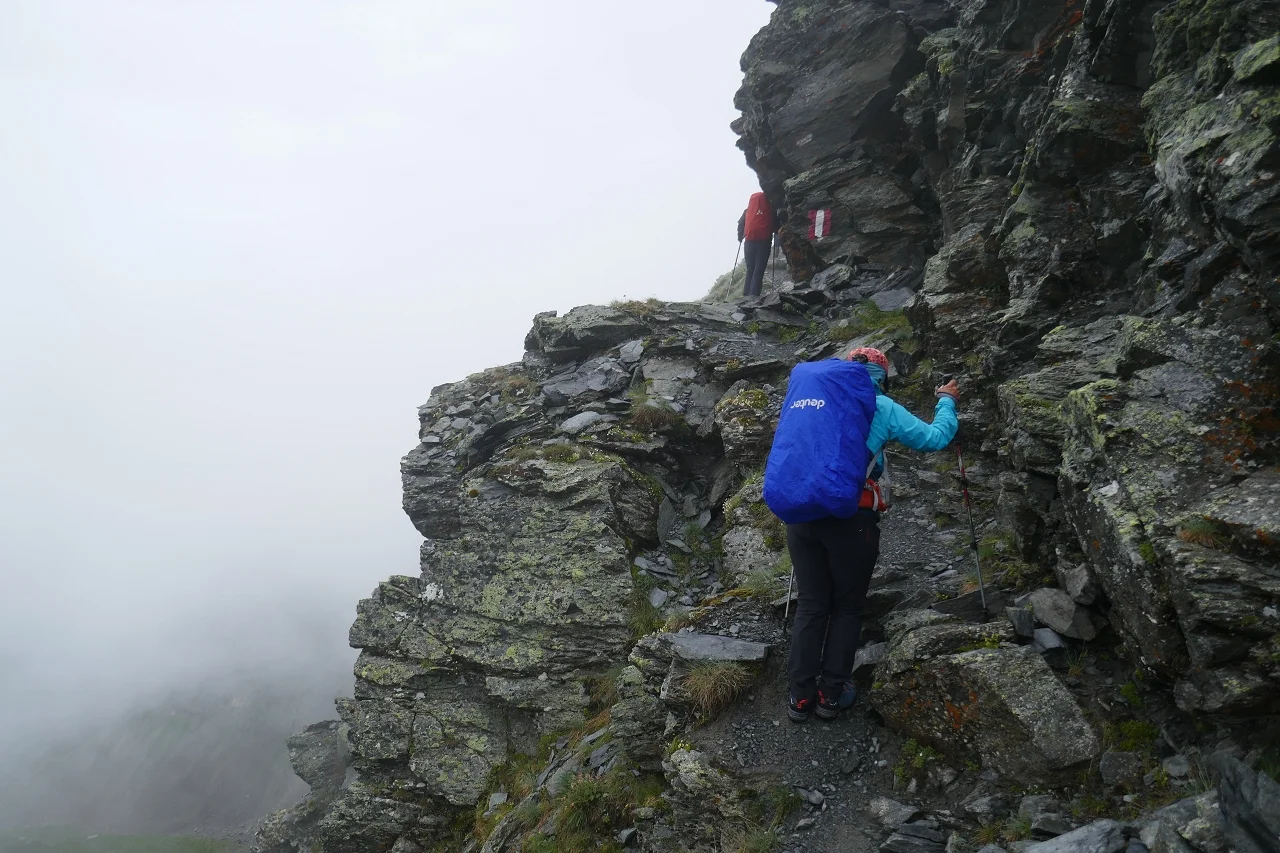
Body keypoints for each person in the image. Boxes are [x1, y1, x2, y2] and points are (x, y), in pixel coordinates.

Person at [785, 346, 960, 723]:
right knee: (847, 607)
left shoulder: (814, 400)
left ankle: (800, 698)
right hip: (851, 519)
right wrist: (947, 401)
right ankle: (831, 696)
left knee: (813, 604)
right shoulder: (880, 406)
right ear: (884, 376)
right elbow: (934, 439)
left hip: (801, 516)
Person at [737, 191, 779, 298]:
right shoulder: (769, 209)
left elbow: (741, 224)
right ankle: (754, 296)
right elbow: (776, 226)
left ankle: (746, 296)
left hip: (749, 242)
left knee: (750, 269)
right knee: (759, 269)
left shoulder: (747, 211)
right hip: (764, 242)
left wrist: (740, 237)